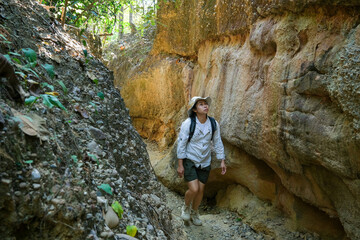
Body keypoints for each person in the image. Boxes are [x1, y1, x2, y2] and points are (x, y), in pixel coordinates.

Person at [177, 96, 226, 226]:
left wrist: (222, 160)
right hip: (190, 159)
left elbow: (217, 142)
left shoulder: (213, 123)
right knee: (194, 189)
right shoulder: (188, 123)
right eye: (200, 104)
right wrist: (180, 165)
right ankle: (186, 207)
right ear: (194, 109)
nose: (205, 106)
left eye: (205, 104)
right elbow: (181, 144)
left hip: (205, 161)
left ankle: (195, 212)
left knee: (200, 190)